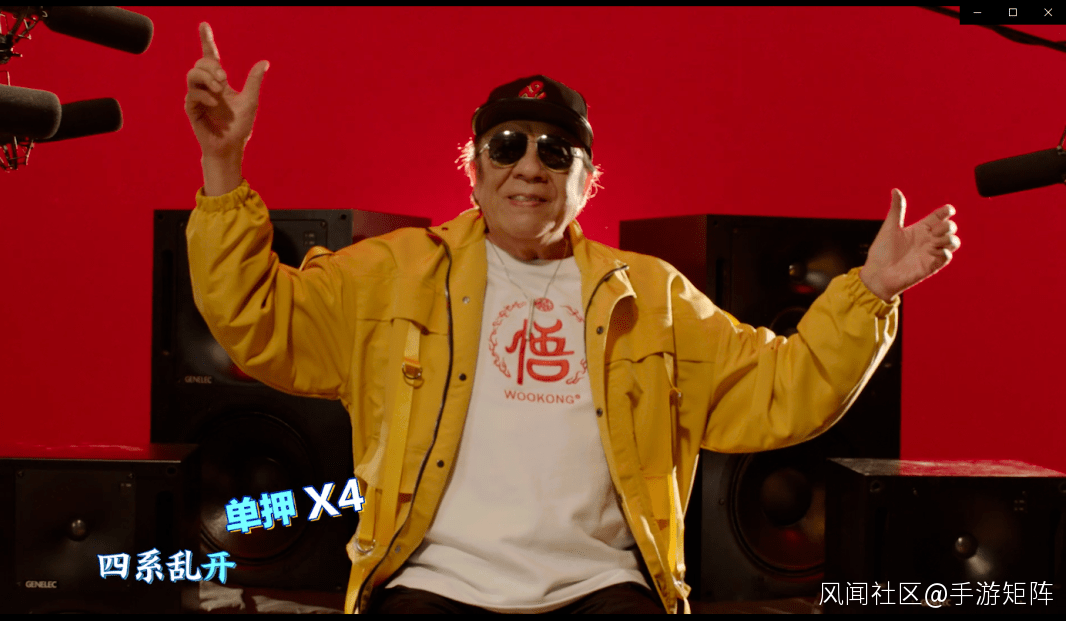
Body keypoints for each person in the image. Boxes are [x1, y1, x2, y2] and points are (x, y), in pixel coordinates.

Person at [184, 22, 959, 614]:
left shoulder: (651, 296)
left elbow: (782, 387)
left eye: (557, 152)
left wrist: (870, 291)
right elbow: (260, 317)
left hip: (602, 586)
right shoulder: (395, 274)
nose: (530, 165)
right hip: (431, 581)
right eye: (507, 146)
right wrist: (223, 165)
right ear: (474, 170)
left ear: (588, 181)